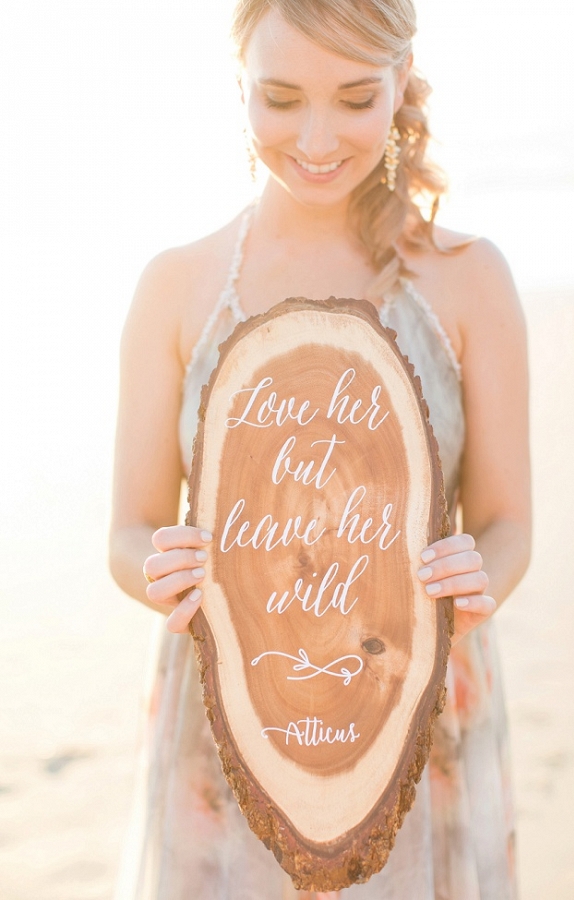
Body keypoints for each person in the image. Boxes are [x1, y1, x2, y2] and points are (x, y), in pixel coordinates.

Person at [109, 1, 531, 897]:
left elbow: (507, 522)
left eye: (354, 98)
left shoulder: (468, 278)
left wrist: (477, 575)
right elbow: (129, 528)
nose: (316, 137)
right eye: (280, 97)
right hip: (228, 725)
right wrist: (160, 564)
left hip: (419, 714)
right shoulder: (175, 287)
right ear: (239, 84)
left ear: (402, 78)